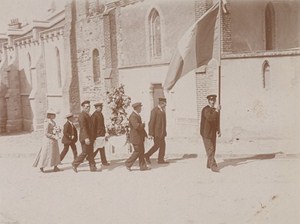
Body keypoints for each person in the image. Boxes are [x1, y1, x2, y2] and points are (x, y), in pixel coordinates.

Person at [72, 100, 97, 172]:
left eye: (89, 107)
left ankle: (92, 167)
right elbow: (83, 128)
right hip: (85, 138)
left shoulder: (88, 115)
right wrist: (86, 138)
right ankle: (74, 164)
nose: (88, 108)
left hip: (90, 137)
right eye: (86, 107)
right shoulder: (82, 116)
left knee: (91, 152)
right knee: (85, 152)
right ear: (83, 107)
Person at [125, 102, 150, 171]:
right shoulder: (133, 116)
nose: (141, 109)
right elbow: (137, 126)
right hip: (136, 138)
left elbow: (140, 128)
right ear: (137, 108)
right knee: (137, 151)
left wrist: (145, 135)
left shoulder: (137, 115)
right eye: (140, 107)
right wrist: (143, 124)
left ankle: (143, 166)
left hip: (139, 137)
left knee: (141, 151)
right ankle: (128, 163)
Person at [200, 94, 221, 172]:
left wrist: (218, 130)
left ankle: (209, 164)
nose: (213, 102)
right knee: (210, 149)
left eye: (214, 100)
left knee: (213, 149)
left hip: (212, 132)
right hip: (206, 133)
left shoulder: (215, 109)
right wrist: (216, 111)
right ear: (208, 101)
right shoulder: (206, 109)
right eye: (211, 100)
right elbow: (210, 118)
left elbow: (216, 121)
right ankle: (213, 166)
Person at [144, 97, 168, 164]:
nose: (165, 105)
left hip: (162, 133)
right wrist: (151, 133)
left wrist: (164, 132)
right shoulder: (154, 111)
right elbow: (151, 122)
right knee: (157, 146)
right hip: (157, 133)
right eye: (165, 104)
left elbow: (163, 123)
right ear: (161, 103)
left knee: (162, 146)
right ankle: (147, 155)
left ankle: (161, 159)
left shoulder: (162, 110)